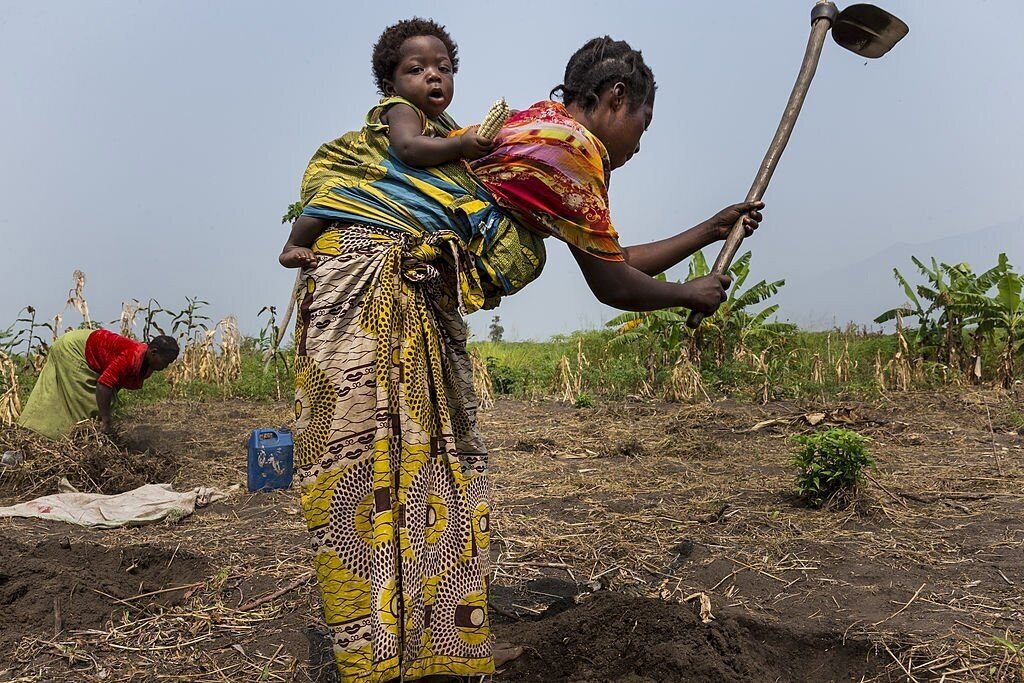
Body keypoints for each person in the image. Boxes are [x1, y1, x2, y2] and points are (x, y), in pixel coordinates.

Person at [282, 31, 763, 683]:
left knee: (432, 474)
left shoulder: (543, 131)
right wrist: (689, 292)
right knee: (371, 480)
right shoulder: (571, 150)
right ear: (616, 99)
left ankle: (428, 651)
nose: (637, 147)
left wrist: (709, 229)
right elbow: (613, 282)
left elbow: (606, 255)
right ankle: (376, 662)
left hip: (403, 294)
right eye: (641, 128)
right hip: (374, 294)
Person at [280, 17, 494, 271]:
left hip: (392, 186)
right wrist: (460, 145)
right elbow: (409, 149)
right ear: (390, 87)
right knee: (332, 200)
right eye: (417, 69)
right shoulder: (402, 108)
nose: (434, 75)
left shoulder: (442, 121)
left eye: (444, 69)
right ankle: (293, 246)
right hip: (367, 175)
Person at [17, 329, 179, 440]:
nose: (166, 366)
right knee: (86, 402)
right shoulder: (131, 356)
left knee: (97, 403)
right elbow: (104, 385)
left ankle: (63, 434)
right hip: (73, 349)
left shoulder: (145, 363)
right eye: (165, 362)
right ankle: (58, 437)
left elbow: (115, 383)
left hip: (85, 349)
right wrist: (107, 421)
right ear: (154, 352)